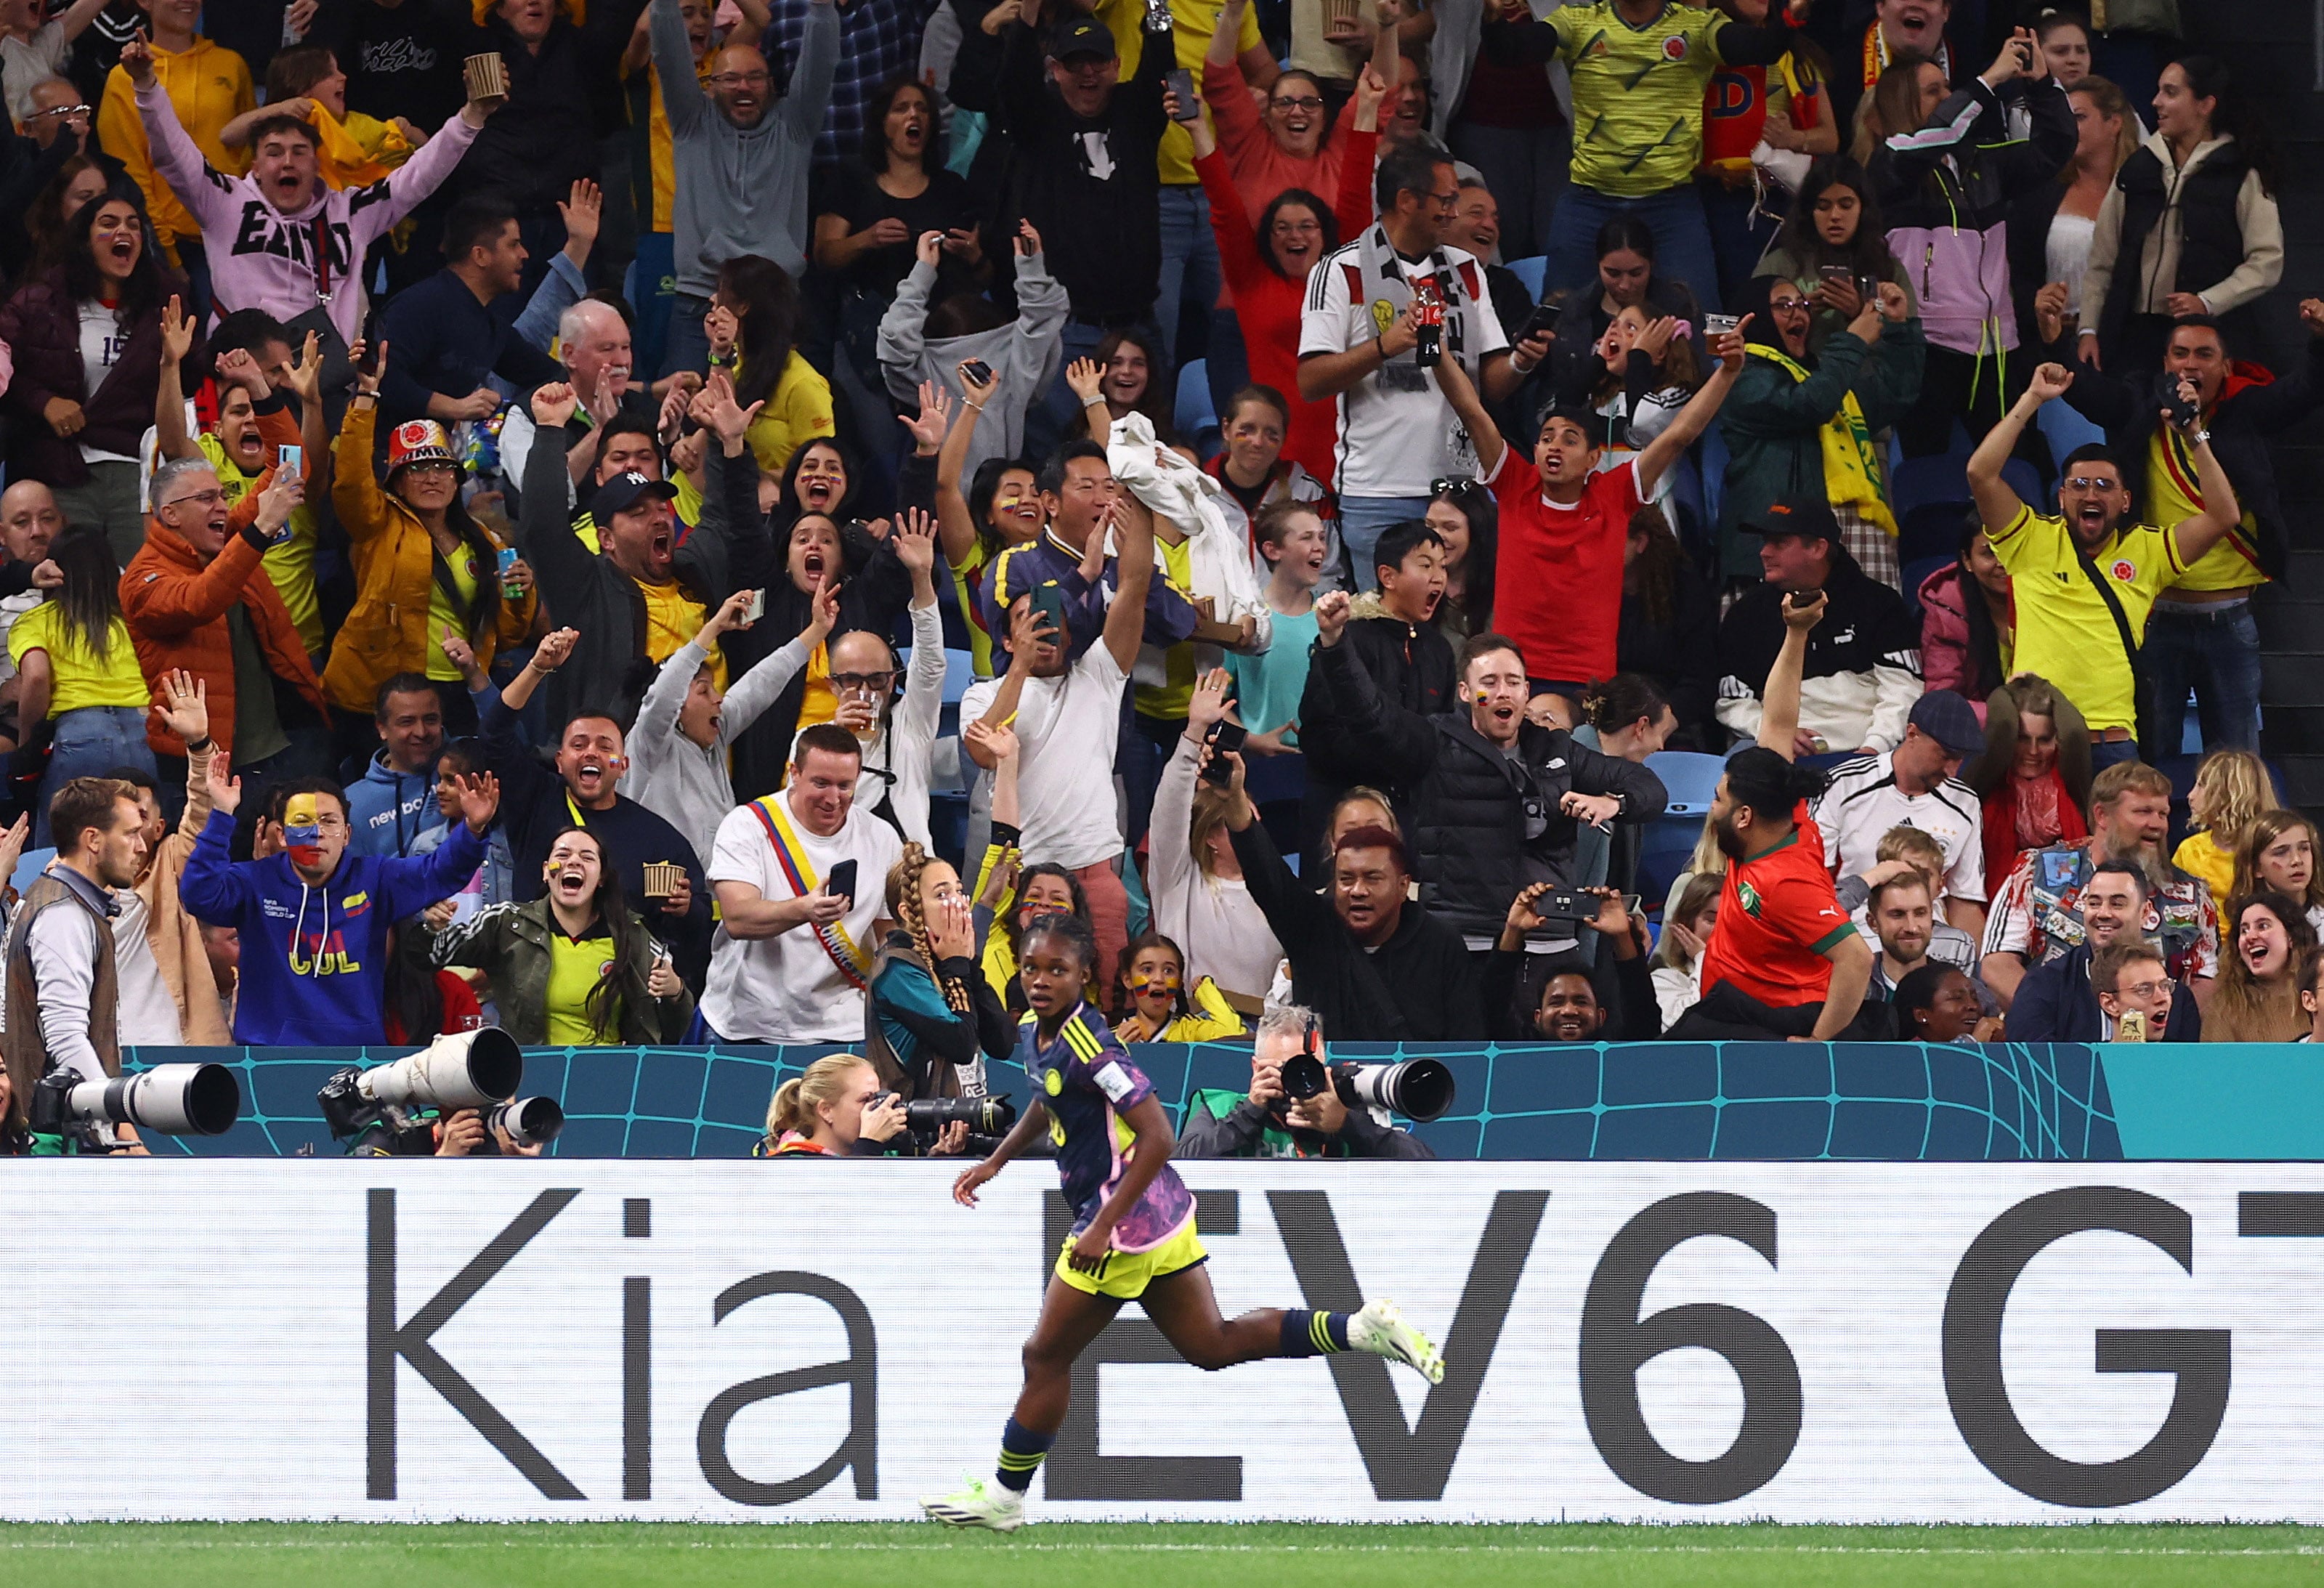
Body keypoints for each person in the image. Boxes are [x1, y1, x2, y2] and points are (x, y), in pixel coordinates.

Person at [923, 910, 1445, 1533]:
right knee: (1210, 1344)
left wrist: (1100, 1226)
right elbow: (1047, 1098)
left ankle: (1005, 1497)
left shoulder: (1093, 1045)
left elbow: (1158, 1136)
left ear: (1085, 976)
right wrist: (996, 1161)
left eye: (1057, 970)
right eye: (1032, 968)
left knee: (1044, 1357)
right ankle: (1357, 1329)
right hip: (1162, 1219)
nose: (1040, 980)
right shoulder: (1044, 1034)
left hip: (1121, 1225)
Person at [2033, 305, 2324, 759]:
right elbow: (2088, 391)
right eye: (2180, 353)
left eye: (2204, 355)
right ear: (2166, 364)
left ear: (2225, 368)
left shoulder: (2246, 408)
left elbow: (2306, 389)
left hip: (2231, 621)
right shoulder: (2141, 405)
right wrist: (2056, 344)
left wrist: (2320, 342)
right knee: (2154, 758)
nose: (2190, 364)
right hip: (2157, 618)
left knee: (2237, 765)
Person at [1437, 305, 1746, 710]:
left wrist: (1728, 371)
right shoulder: (1517, 485)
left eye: (1569, 440)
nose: (1554, 446)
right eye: (1547, 437)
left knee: (1548, 725)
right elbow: (1472, 410)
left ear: (1592, 459)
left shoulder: (1612, 495)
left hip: (1583, 683)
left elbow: (1679, 434)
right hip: (1512, 673)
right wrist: (1435, 346)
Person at [1312, 625, 1667, 973]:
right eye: (1489, 683)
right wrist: (1334, 644)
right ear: (1465, 693)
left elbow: (1650, 788)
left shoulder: (1557, 749)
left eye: (1513, 683)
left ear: (1527, 692)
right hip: (1464, 942)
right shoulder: (1433, 742)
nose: (1502, 693)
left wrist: (1613, 804)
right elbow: (1370, 716)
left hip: (1551, 941)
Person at [1966, 364, 2242, 770]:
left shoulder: (2148, 550)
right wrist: (2033, 399)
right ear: (2061, 497)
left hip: (2112, 744)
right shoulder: (2028, 539)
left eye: (2104, 486)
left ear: (2126, 501)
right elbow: (1980, 472)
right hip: (2039, 739)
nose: (2090, 493)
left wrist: (2192, 435)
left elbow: (2224, 516)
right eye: (2079, 485)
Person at [1477, 0, 1812, 311]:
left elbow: (1762, 49)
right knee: (1557, 319)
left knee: (1700, 320)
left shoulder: (1697, 28)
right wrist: (1492, 18)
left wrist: (1791, 13)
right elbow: (1510, 51)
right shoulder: (1577, 23)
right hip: (1588, 201)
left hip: (1671, 205)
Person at [1297, 144, 1526, 589]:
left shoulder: (1467, 270)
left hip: (1460, 487)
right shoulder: (1340, 270)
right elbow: (1311, 381)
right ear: (1407, 201)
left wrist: (1521, 362)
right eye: (1446, 200)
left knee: (1461, 636)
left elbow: (1492, 383)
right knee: (1385, 639)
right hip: (1379, 490)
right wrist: (1383, 346)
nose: (1454, 211)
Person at [960, 494, 1157, 996]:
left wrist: (1139, 499)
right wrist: (1021, 666)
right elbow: (982, 751)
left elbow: (1134, 587)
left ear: (1071, 634)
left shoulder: (1097, 674)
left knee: (1112, 1000)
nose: (1044, 630)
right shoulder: (983, 694)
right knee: (1024, 1007)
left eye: (1051, 621)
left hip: (1096, 876)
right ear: (1005, 639)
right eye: (1027, 622)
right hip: (1025, 882)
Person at [1674, 588, 1879, 1042]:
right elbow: (1780, 722)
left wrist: (1818, 1044)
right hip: (1731, 1007)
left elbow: (1857, 959)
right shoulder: (1785, 819)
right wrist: (1796, 632)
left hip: (1775, 1023)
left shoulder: (1785, 883)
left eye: (1718, 800)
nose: (1712, 809)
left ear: (1743, 817)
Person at [177, 762, 498, 1045]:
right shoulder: (254, 881)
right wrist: (221, 816)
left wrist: (473, 829)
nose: (316, 833)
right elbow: (198, 895)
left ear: (346, 834)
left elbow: (440, 871)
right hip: (270, 1055)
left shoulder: (376, 878)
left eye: (329, 822)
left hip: (359, 1054)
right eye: (302, 822)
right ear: (284, 835)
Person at [1863, 33, 2075, 461]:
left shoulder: (1985, 161)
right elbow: (1936, 133)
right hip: (1928, 349)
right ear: (1901, 103)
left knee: (2012, 476)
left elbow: (2057, 148)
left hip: (1998, 350)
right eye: (1934, 90)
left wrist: (2039, 84)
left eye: (1948, 87)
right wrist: (1989, 79)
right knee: (1929, 482)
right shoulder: (1889, 165)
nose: (1950, 96)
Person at [514, 379, 759, 732]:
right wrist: (551, 430)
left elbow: (725, 516)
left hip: (712, 762)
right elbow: (541, 526)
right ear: (606, 539)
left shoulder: (694, 570)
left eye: (661, 506)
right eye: (637, 512)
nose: (659, 517)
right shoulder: (588, 589)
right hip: (627, 768)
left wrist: (729, 444)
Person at [979, 12, 1170, 451]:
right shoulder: (1038, 123)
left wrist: (1158, 13)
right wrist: (1027, 18)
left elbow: (1160, 64)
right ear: (1054, 70)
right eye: (1075, 63)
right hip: (1071, 330)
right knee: (1069, 458)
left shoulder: (1136, 116)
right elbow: (1013, 81)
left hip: (1140, 325)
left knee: (1146, 459)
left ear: (1117, 65)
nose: (1088, 73)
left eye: (1098, 62)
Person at [481, 626, 713, 981]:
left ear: (624, 766)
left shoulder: (658, 839)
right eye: (579, 744)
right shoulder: (536, 801)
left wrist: (685, 911)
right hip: (535, 984)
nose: (591, 752)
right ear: (559, 761)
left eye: (606, 747)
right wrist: (538, 668)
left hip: (618, 996)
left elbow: (696, 934)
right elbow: (494, 734)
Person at [333, 349, 536, 752]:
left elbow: (508, 634)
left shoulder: (487, 541)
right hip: (390, 693)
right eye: (417, 469)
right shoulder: (376, 525)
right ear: (397, 481)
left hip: (460, 691)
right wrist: (365, 400)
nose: (431, 478)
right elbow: (351, 483)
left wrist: (522, 593)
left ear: (457, 480)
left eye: (442, 468)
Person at [1194, 76, 1379, 495]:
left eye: (1306, 226)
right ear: (1268, 238)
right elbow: (1223, 202)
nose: (1295, 236)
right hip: (1277, 456)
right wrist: (1196, 130)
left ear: (1325, 233)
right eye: (1282, 228)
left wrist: (1367, 109)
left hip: (1352, 448)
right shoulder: (1252, 281)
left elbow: (1354, 190)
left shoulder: (1346, 271)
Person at [1222, 748, 1482, 1041]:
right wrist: (1234, 799)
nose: (1358, 891)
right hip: (1327, 1084)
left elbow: (1466, 1044)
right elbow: (1266, 875)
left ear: (1402, 885)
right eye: (1346, 879)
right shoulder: (1310, 927)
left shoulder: (1441, 945)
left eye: (1373, 879)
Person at [0, 183, 187, 559]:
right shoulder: (41, 301)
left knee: (137, 593)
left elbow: (193, 379)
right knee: (70, 592)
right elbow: (7, 367)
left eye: (134, 225)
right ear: (85, 240)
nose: (124, 232)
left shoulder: (165, 307)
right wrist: (44, 402)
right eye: (109, 223)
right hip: (63, 470)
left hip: (135, 473)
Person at [121, 456, 327, 779]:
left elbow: (287, 460)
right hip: (201, 763)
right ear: (170, 514)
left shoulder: (229, 540)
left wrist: (264, 403)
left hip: (281, 747)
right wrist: (262, 529)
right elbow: (198, 601)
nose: (222, 506)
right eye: (206, 498)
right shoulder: (142, 578)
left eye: (223, 496)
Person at [2076, 56, 2281, 378]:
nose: (2156, 102)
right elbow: (2102, 260)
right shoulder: (2137, 168)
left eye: (2171, 93)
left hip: (2208, 342)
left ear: (2205, 105)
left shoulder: (2239, 172)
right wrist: (2088, 328)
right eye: (2159, 91)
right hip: (2134, 343)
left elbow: (2267, 261)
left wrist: (2208, 302)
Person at [1716, 272, 1924, 587]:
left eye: (1801, 304)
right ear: (1754, 315)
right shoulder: (1743, 377)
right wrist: (1853, 340)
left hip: (1849, 528)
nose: (1798, 312)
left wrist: (1898, 331)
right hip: (1781, 540)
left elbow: (1893, 397)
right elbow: (1809, 405)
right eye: (1784, 305)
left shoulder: (1821, 375)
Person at [701, 721, 904, 1043]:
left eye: (845, 786)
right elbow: (738, 919)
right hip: (750, 1024)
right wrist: (804, 909)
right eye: (821, 783)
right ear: (794, 773)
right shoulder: (747, 825)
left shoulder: (881, 836)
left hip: (845, 1026)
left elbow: (889, 935)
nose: (833, 799)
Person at [1981, 758, 2219, 1012]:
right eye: (2143, 812)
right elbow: (1997, 964)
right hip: (2054, 1039)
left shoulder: (2191, 895)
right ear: (2102, 815)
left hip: (2155, 1044)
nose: (2157, 824)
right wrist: (2052, 1017)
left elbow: (2206, 980)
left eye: (2163, 814)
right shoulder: (2036, 872)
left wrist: (2165, 1024)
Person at [431, 825, 695, 1044]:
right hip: (531, 1078)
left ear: (601, 877)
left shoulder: (633, 936)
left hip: (610, 1078)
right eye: (563, 854)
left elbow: (672, 1029)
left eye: (587, 857)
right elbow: (434, 953)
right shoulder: (508, 923)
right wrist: (432, 928)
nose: (574, 861)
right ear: (546, 871)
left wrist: (676, 992)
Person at [0, 777, 146, 1147]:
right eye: (130, 834)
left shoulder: (47, 898)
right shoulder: (63, 914)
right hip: (56, 1136)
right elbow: (65, 1038)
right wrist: (116, 1127)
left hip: (49, 1128)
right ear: (93, 840)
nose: (141, 847)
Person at [1714, 498, 1924, 755]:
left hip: (1872, 749)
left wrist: (1874, 747)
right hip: (1776, 750)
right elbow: (1732, 701)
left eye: (1780, 543)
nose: (1764, 552)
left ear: (1818, 548)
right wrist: (1771, 732)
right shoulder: (1747, 613)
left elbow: (1903, 690)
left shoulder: (1880, 605)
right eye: (1765, 542)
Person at [1292, 522, 1453, 836]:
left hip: (1411, 816)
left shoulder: (1439, 649)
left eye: (1443, 567)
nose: (1438, 577)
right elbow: (1320, 733)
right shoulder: (1344, 638)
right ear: (1387, 577)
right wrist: (1395, 759)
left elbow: (1442, 730)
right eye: (1425, 565)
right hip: (1341, 812)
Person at [880, 230, 1066, 496]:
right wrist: (1031, 269)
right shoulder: (1015, 366)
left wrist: (922, 271)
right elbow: (1044, 322)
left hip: (948, 501)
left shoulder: (926, 370)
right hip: (993, 500)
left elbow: (896, 335)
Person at [10, 527, 153, 845]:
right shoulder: (133, 619)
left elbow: (35, 676)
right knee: (141, 849)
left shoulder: (36, 620)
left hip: (79, 736)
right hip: (144, 732)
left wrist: (27, 740)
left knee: (61, 852)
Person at [1151, 670, 1284, 1007]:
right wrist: (1195, 732)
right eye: (1237, 817)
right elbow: (1169, 810)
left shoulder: (1280, 891)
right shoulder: (1178, 882)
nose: (1251, 824)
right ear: (1211, 836)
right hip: (1191, 1030)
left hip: (1261, 1033)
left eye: (1253, 815)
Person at [95, 0, 250, 285]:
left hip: (235, 237)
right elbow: (131, 174)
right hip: (168, 244)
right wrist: (168, 256)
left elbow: (250, 154)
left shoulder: (232, 64)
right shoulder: (123, 77)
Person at [377, 195, 566, 428]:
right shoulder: (418, 305)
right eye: (513, 244)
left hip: (443, 457)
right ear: (480, 255)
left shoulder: (492, 329)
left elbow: (552, 376)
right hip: (387, 455)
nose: (524, 254)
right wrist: (456, 407)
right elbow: (382, 377)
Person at [1810, 689, 1988, 933]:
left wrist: (1973, 968)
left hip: (1930, 939)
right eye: (1945, 757)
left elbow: (1964, 903)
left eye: (1960, 760)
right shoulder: (1844, 783)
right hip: (1855, 932)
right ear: (1912, 733)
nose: (1952, 772)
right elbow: (1814, 881)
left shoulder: (1966, 802)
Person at [1179, 1002, 1435, 1159]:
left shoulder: (1343, 1110)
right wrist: (1249, 1113)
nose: (1299, 1081)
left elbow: (1428, 1169)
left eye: (1309, 1068)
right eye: (1286, 1069)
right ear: (1257, 1068)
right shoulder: (1220, 1107)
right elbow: (1176, 1168)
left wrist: (1347, 1125)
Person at [122, 669, 229, 1043]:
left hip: (183, 1046)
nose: (130, 825)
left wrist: (199, 744)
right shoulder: (69, 876)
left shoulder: (172, 859)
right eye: (117, 814)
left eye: (141, 813)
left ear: (159, 826)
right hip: (103, 1053)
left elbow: (201, 806)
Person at [870, 840, 1016, 1103]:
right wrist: (957, 968)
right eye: (942, 895)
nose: (959, 903)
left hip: (964, 1121)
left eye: (959, 891)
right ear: (908, 911)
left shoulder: (947, 958)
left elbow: (1002, 1043)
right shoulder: (897, 969)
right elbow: (961, 1045)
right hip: (916, 1131)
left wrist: (969, 965)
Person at [2006, 74, 2136, 353]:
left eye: (2078, 117)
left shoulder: (2142, 193)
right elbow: (2015, 270)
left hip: (2123, 344)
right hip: (2050, 342)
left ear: (2114, 123)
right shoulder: (2039, 193)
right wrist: (2036, 300)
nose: (2068, 127)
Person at [1754, 155, 1917, 361]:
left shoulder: (1886, 267)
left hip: (1865, 385)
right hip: (1797, 384)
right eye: (1823, 206)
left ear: (1862, 209)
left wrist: (1859, 313)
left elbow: (1909, 349)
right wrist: (1798, 315)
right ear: (1809, 211)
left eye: (1846, 205)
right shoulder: (1780, 263)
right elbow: (1753, 334)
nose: (1835, 216)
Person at [1484, 883, 1661, 1041]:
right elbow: (1493, 1008)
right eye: (1556, 1002)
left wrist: (1622, 936)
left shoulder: (1613, 1057)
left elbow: (1642, 1015)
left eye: (1581, 1001)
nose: (1569, 1011)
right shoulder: (1517, 1056)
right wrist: (1513, 930)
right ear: (1538, 1017)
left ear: (1601, 1016)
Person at [1223, 501, 1327, 763]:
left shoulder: (1332, 618)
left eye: (1322, 537)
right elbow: (1215, 701)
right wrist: (1249, 739)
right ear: (1272, 550)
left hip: (1325, 762)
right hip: (1259, 764)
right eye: (1307, 538)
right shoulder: (1246, 621)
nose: (1320, 547)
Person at [1973, 673, 2089, 895]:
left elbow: (2074, 731)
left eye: (2044, 739)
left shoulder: (2070, 777)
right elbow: (2003, 724)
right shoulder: (1989, 777)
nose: (2033, 751)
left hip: (2064, 910)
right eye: (2022, 738)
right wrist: (2007, 691)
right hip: (1998, 905)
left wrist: (2045, 686)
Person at [1919, 519, 2012, 719]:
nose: (2002, 563)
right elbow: (1942, 702)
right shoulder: (1947, 612)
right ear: (1967, 560)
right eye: (1989, 553)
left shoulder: (2051, 597)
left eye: (2010, 550)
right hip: (1980, 737)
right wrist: (2010, 718)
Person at [347, 677, 450, 859]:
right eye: (407, 722)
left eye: (430, 720)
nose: (421, 732)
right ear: (382, 728)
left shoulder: (465, 766)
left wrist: (474, 676)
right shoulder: (353, 804)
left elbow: (505, 740)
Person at [2203, 890, 2317, 1044]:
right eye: (2244, 930)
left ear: (2291, 936)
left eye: (2263, 926)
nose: (2250, 937)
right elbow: (2216, 1065)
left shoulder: (2318, 994)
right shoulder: (2225, 1006)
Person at [2171, 748, 2275, 907]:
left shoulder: (2270, 850)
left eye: (2201, 786)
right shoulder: (2190, 851)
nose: (2190, 796)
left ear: (2229, 795)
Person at [759, 1051, 910, 1156]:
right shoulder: (790, 1164)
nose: (878, 1110)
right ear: (826, 1111)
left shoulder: (883, 1153)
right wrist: (869, 1145)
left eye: (878, 1098)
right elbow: (843, 1198)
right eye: (865, 1100)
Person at [1109, 932, 1249, 1044]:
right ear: (1128, 980)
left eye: (1168, 971)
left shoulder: (1189, 1030)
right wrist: (1115, 1050)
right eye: (1147, 970)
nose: (1159, 979)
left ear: (1178, 983)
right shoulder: (1110, 1037)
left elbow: (1234, 1035)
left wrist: (1205, 991)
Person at [1422, 476, 1494, 641]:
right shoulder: (1412, 588)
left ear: (1477, 531)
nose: (1438, 536)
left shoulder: (1501, 590)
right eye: (1430, 526)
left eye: (1450, 528)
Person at [2235, 811, 2324, 940]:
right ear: (2256, 868)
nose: (2297, 860)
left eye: (2304, 849)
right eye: (2281, 852)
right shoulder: (2246, 929)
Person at [1653, 871, 1722, 1029]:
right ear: (1686, 923)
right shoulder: (1664, 980)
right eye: (1712, 920)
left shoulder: (1750, 980)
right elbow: (1688, 1026)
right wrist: (1703, 959)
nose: (1721, 928)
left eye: (1729, 918)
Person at [1890, 962, 1985, 1043]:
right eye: (1957, 998)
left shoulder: (1989, 1043)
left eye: (1975, 998)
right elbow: (1946, 1064)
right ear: (1921, 1015)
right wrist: (1972, 1043)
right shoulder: (1907, 1056)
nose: (1973, 1006)